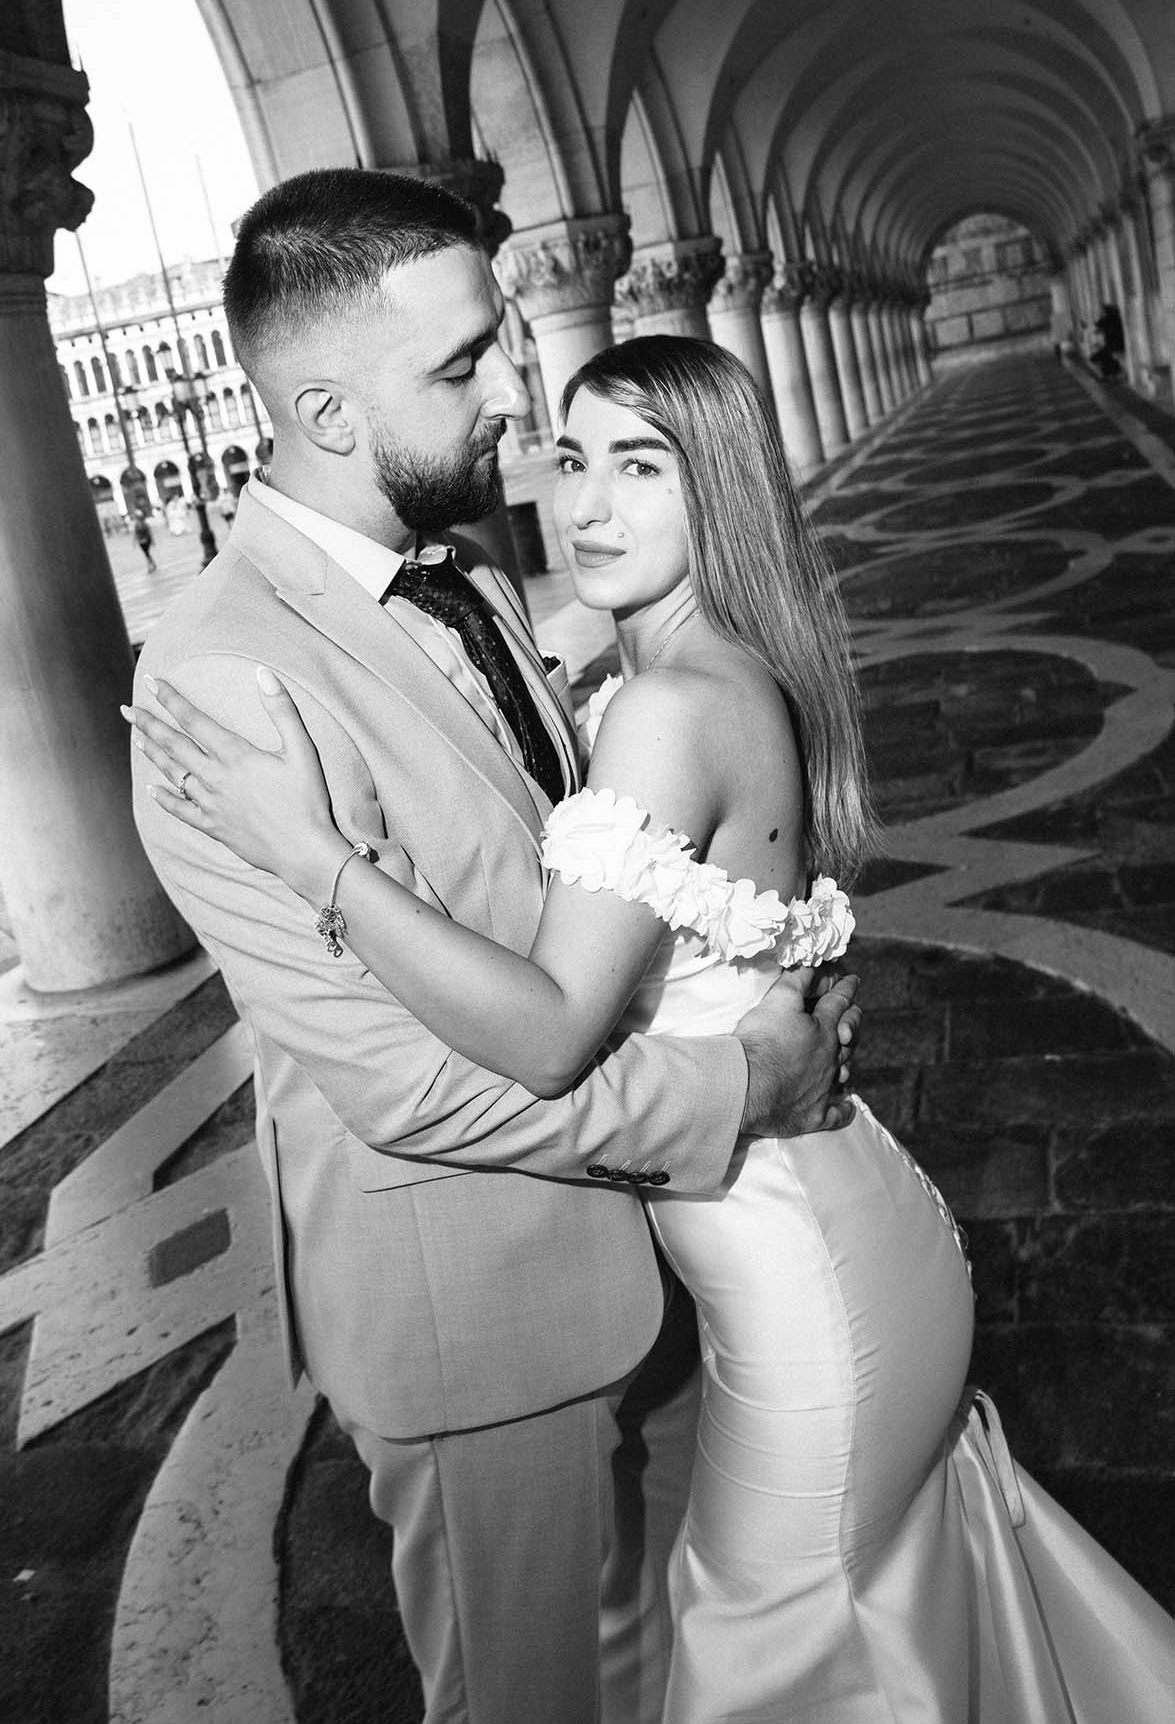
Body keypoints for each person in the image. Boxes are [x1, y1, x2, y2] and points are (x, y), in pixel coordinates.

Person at [135, 333, 1175, 1722]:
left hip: (795, 1264)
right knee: (823, 1632)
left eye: (641, 466)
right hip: (806, 1222)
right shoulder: (674, 673)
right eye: (571, 460)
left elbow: (559, 1027)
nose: (582, 505)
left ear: (722, 494)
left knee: (773, 1656)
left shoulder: (669, 708)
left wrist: (315, 856)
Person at [127, 172, 858, 1724]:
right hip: (475, 1307)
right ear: (327, 411)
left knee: (689, 1676)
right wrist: (739, 1090)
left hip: (663, 1269)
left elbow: (572, 877)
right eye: (462, 366)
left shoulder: (462, 570)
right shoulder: (221, 681)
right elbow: (414, 1090)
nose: (512, 396)